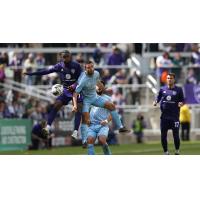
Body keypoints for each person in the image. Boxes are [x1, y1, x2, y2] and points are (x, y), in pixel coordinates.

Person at [23, 50, 83, 137]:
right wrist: (32, 74)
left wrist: (74, 85)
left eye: (66, 56)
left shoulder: (76, 65)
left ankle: (75, 131)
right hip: (66, 90)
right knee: (56, 105)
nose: (65, 58)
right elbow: (46, 71)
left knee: (78, 109)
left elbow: (81, 78)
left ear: (70, 56)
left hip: (76, 89)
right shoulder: (59, 66)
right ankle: (48, 127)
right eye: (63, 57)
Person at [72, 61, 130, 147]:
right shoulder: (83, 80)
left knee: (111, 106)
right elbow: (75, 93)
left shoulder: (96, 74)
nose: (90, 69)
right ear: (85, 69)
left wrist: (105, 90)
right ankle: (84, 141)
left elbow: (99, 83)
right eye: (88, 68)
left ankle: (120, 127)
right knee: (86, 119)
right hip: (87, 100)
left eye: (91, 67)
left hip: (95, 98)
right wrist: (75, 105)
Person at [153, 73, 184, 155]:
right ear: (166, 79)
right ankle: (166, 152)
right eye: (168, 78)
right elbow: (158, 97)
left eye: (171, 78)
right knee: (163, 136)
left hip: (174, 117)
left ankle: (177, 151)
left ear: (174, 79)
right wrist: (156, 101)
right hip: (164, 117)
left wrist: (181, 103)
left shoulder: (179, 90)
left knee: (176, 135)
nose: (169, 79)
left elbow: (182, 100)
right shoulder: (162, 89)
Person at [87, 81, 112, 155]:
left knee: (102, 140)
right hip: (92, 125)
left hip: (102, 125)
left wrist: (106, 121)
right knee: (90, 141)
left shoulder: (108, 99)